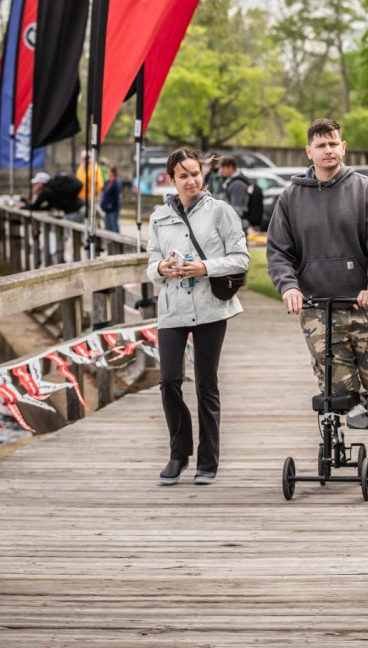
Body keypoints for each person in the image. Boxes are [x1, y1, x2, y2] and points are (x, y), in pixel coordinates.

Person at [266, 117, 368, 475]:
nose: (328, 150)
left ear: (343, 148)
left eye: (333, 144)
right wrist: (289, 286)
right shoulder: (291, 197)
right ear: (309, 152)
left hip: (365, 304)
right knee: (337, 389)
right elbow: (278, 251)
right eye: (321, 145)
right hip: (318, 308)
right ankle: (347, 424)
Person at [147, 147, 249, 486]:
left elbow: (241, 258)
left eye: (195, 173)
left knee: (206, 383)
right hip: (172, 308)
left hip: (209, 307)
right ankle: (179, 453)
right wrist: (161, 268)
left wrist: (205, 267)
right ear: (171, 179)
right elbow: (150, 263)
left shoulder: (220, 211)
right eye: (183, 176)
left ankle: (208, 460)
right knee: (169, 380)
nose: (191, 180)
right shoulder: (159, 217)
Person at [20, 170, 85, 222]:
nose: (35, 186)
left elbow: (35, 206)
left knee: (60, 231)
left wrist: (23, 207)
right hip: (81, 208)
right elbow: (49, 207)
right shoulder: (54, 187)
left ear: (41, 183)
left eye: (36, 183)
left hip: (73, 212)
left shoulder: (46, 191)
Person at [220, 156, 249, 232]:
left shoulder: (238, 184)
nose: (221, 171)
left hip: (238, 225)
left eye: (223, 168)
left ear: (230, 167)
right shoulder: (231, 181)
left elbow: (237, 209)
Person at [100, 166, 122, 233]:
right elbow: (103, 191)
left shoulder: (116, 182)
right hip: (107, 209)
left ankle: (117, 239)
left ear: (112, 173)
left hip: (113, 208)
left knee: (113, 225)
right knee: (108, 226)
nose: (107, 173)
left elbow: (116, 196)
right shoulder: (108, 182)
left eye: (109, 171)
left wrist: (110, 205)